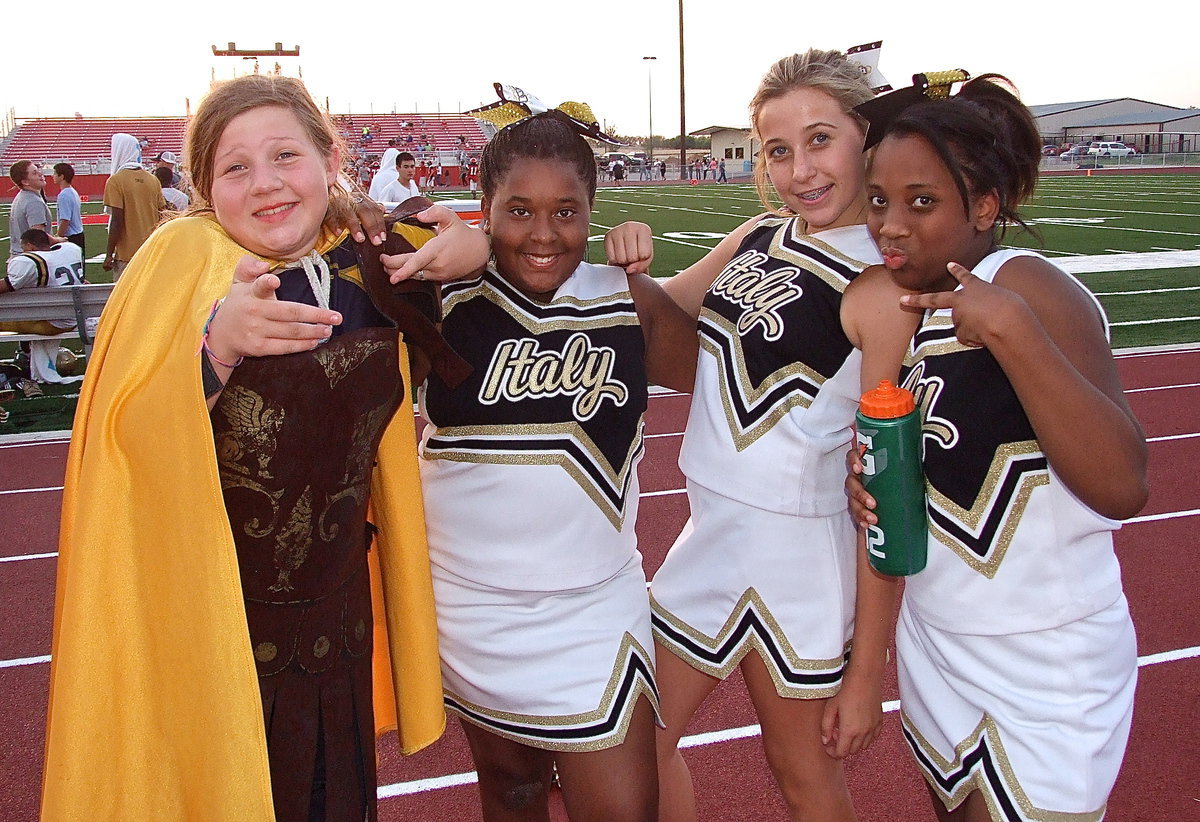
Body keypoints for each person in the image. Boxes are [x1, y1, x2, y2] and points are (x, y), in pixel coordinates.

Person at [40, 72, 490, 822]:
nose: (266, 183)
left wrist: (469, 247)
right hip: (210, 633)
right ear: (206, 188)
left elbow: (476, 240)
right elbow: (118, 446)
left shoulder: (368, 254)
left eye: (285, 155)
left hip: (333, 631)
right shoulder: (175, 264)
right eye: (235, 167)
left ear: (328, 158)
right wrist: (215, 350)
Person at [605, 49, 909, 822]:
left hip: (799, 557)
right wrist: (623, 264)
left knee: (802, 773)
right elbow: (644, 321)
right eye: (779, 151)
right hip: (711, 537)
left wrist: (867, 671)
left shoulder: (888, 278)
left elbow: (889, 487)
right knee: (634, 744)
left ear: (863, 137)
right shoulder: (756, 234)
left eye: (820, 140)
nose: (800, 169)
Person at [844, 73, 1147, 822]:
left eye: (922, 202)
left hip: (1046, 661)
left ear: (984, 206)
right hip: (939, 647)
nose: (891, 224)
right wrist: (876, 485)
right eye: (879, 201)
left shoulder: (1028, 286)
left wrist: (1011, 328)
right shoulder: (907, 309)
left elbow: (1124, 483)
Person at [416, 105, 696, 821]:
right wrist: (441, 231)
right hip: (473, 610)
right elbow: (349, 231)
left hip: (594, 610)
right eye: (518, 211)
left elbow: (735, 371)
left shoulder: (623, 300)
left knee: (625, 809)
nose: (544, 235)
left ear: (594, 212)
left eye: (567, 211)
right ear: (484, 210)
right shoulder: (437, 296)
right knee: (511, 795)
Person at [0, 228, 86, 386]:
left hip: (51, 323)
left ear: (31, 247)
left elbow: (6, 286)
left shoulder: (29, 262)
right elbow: (61, 242)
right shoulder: (71, 249)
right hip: (75, 318)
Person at [103, 133, 165, 278]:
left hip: (127, 255)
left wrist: (108, 254)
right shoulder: (153, 180)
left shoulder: (116, 181)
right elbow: (162, 214)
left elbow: (116, 221)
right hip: (150, 250)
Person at [8, 160, 57, 258]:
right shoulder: (34, 202)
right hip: (32, 259)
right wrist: (58, 240)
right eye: (34, 173)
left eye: (38, 170)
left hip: (20, 257)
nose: (40, 174)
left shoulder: (23, 196)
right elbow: (38, 237)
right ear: (25, 182)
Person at [52, 163, 86, 254]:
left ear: (62, 176)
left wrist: (58, 237)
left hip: (71, 237)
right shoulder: (73, 192)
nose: (53, 176)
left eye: (55, 173)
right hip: (78, 234)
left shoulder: (63, 195)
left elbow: (65, 220)